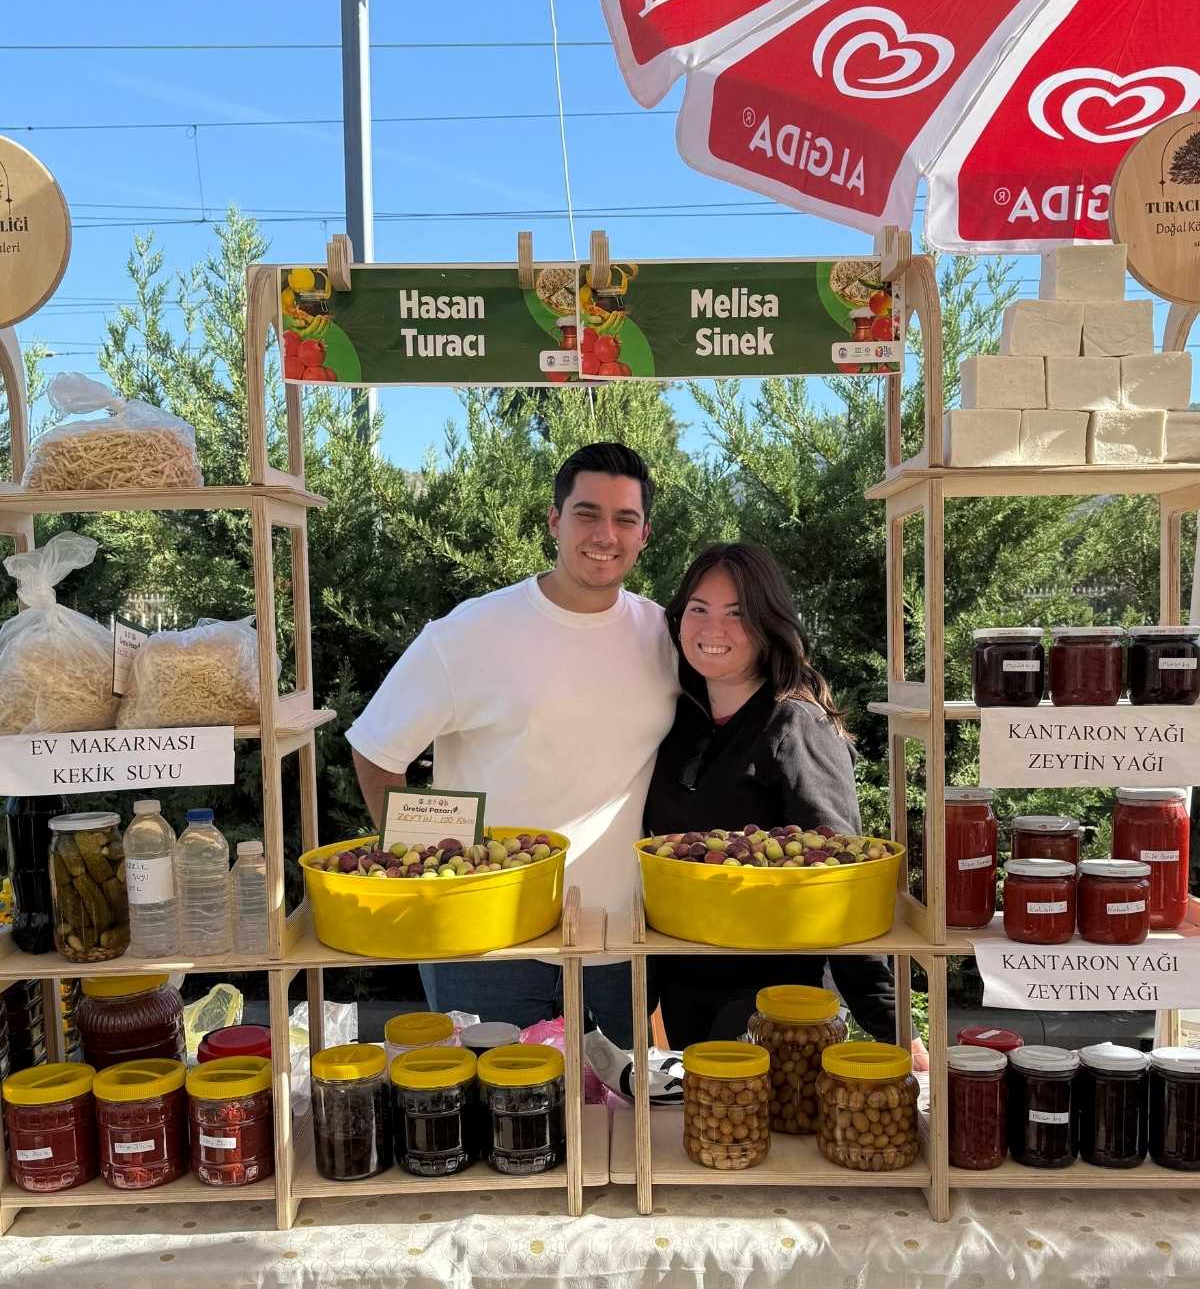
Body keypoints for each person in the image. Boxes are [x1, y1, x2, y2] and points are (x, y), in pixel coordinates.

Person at [347, 442, 677, 1047]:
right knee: (482, 1104)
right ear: (554, 520)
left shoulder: (664, 634)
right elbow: (376, 750)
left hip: (618, 936)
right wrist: (424, 869)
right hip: (484, 940)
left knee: (617, 1101)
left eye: (624, 519)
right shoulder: (471, 631)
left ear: (645, 534)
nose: (605, 534)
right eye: (586, 513)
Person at [644, 542, 915, 1055]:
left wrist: (894, 1025)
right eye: (699, 609)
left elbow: (843, 880)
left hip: (780, 1006)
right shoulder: (677, 721)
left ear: (768, 624)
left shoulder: (795, 725)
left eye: (736, 613)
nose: (713, 629)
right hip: (685, 994)